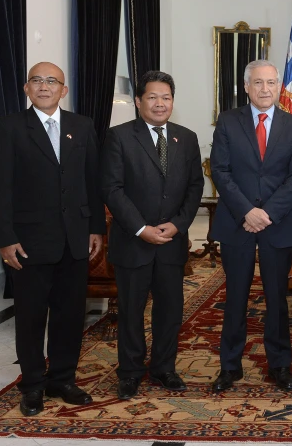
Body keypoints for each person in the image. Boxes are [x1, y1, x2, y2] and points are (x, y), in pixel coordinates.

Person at [0, 62, 105, 416]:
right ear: (26, 88)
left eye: (51, 80)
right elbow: (1, 188)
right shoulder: (10, 127)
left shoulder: (81, 126)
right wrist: (5, 238)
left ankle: (63, 379)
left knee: (71, 315)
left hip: (75, 239)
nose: (43, 86)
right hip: (28, 242)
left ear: (63, 90)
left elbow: (91, 181)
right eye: (36, 80)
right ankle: (33, 384)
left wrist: (96, 227)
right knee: (31, 316)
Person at [100, 71, 204, 400]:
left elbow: (195, 186)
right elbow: (112, 189)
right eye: (153, 97)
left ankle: (163, 368)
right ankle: (129, 371)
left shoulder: (186, 138)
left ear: (173, 101)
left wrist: (179, 223)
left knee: (170, 310)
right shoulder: (119, 137)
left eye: (166, 98)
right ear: (138, 101)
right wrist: (141, 228)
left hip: (172, 241)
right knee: (130, 311)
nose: (160, 104)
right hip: (133, 241)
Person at [209, 60, 292, 393]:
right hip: (237, 222)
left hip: (277, 223)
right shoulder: (227, 121)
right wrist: (247, 211)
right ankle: (229, 366)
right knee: (235, 296)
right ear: (246, 86)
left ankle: (280, 364)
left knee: (276, 298)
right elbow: (220, 171)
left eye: (270, 83)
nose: (265, 89)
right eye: (258, 83)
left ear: (278, 86)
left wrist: (266, 213)